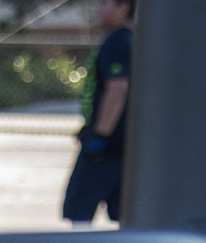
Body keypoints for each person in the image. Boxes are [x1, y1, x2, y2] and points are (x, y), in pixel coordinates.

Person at [63, 0, 133, 226]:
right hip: (122, 143)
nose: (98, 9)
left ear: (124, 7)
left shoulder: (116, 43)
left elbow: (118, 88)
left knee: (78, 209)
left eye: (105, 4)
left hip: (105, 146)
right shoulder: (130, 40)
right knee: (121, 211)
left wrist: (100, 136)